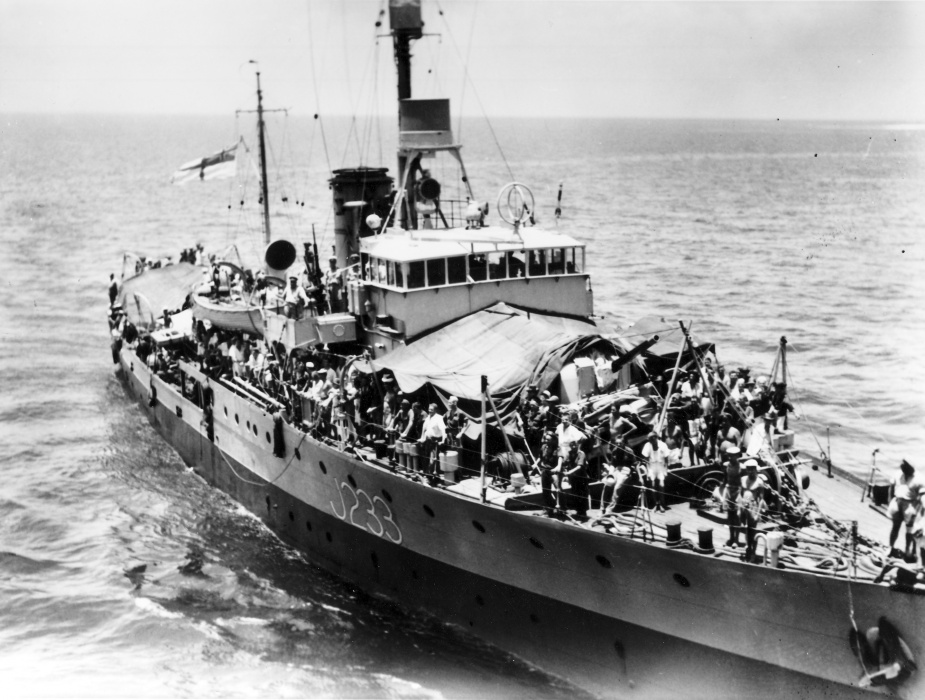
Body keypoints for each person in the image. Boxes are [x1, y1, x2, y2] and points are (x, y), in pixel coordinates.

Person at [888, 460, 924, 559]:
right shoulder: (898, 474)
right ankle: (890, 547)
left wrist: (921, 512)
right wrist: (890, 501)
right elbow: (891, 487)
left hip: (910, 505)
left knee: (910, 531)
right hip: (897, 502)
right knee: (895, 527)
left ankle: (907, 550)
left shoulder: (920, 478)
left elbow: (922, 496)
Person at [738, 459, 766, 562]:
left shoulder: (759, 482)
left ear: (756, 469)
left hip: (753, 507)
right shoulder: (743, 479)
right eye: (748, 469)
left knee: (752, 530)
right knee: (745, 529)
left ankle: (753, 550)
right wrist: (739, 508)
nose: (750, 471)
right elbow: (740, 494)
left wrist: (757, 513)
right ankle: (747, 547)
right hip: (744, 506)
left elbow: (761, 499)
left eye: (752, 469)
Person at [641, 431, 670, 513]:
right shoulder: (647, 445)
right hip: (652, 467)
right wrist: (647, 472)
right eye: (650, 439)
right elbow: (646, 460)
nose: (652, 441)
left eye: (653, 439)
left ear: (656, 438)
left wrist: (666, 470)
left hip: (661, 466)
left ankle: (662, 504)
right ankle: (656, 504)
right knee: (653, 485)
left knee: (661, 485)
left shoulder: (663, 445)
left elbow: (666, 459)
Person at [561, 440, 589, 519]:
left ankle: (583, 513)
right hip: (573, 478)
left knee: (582, 495)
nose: (573, 447)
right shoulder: (569, 454)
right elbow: (565, 463)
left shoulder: (581, 454)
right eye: (571, 446)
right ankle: (578, 511)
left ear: (577, 445)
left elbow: (579, 466)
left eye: (575, 445)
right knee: (575, 494)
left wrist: (569, 472)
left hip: (581, 478)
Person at [722, 446, 742, 547]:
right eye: (729, 456)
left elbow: (743, 482)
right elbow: (725, 479)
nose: (730, 458)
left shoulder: (741, 467)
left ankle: (736, 540)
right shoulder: (726, 466)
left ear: (737, 456)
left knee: (737, 517)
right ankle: (731, 538)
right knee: (730, 516)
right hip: (729, 490)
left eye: (733, 456)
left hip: (738, 491)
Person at [419, 403, 446, 475]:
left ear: (435, 410)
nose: (429, 411)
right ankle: (426, 474)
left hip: (435, 442)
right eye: (429, 409)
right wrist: (422, 438)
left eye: (431, 409)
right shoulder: (428, 417)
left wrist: (443, 440)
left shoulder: (439, 418)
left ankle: (431, 476)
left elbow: (443, 430)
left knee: (432, 460)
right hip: (427, 440)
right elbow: (424, 428)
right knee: (425, 458)